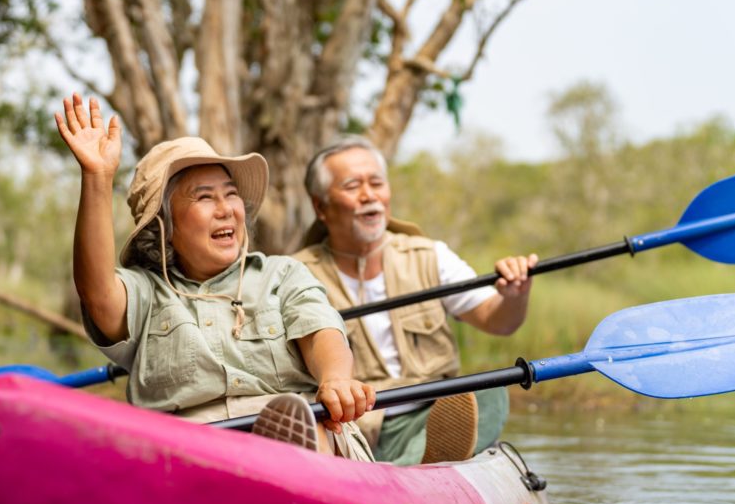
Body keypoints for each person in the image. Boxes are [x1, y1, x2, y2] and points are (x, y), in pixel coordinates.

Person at [54, 93, 375, 459]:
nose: (226, 210)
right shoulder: (146, 293)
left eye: (232, 194)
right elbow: (97, 294)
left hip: (295, 430)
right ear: (164, 226)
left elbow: (322, 335)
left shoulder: (281, 274)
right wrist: (97, 177)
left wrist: (335, 379)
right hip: (189, 453)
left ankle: (300, 474)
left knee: (304, 425)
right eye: (205, 198)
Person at [294, 135, 537, 465]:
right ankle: (402, 473)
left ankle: (405, 470)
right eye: (352, 186)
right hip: (349, 425)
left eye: (377, 183)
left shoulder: (430, 255)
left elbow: (500, 321)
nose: (370, 196)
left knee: (492, 391)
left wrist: (515, 294)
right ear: (320, 206)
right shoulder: (294, 274)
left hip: (431, 415)